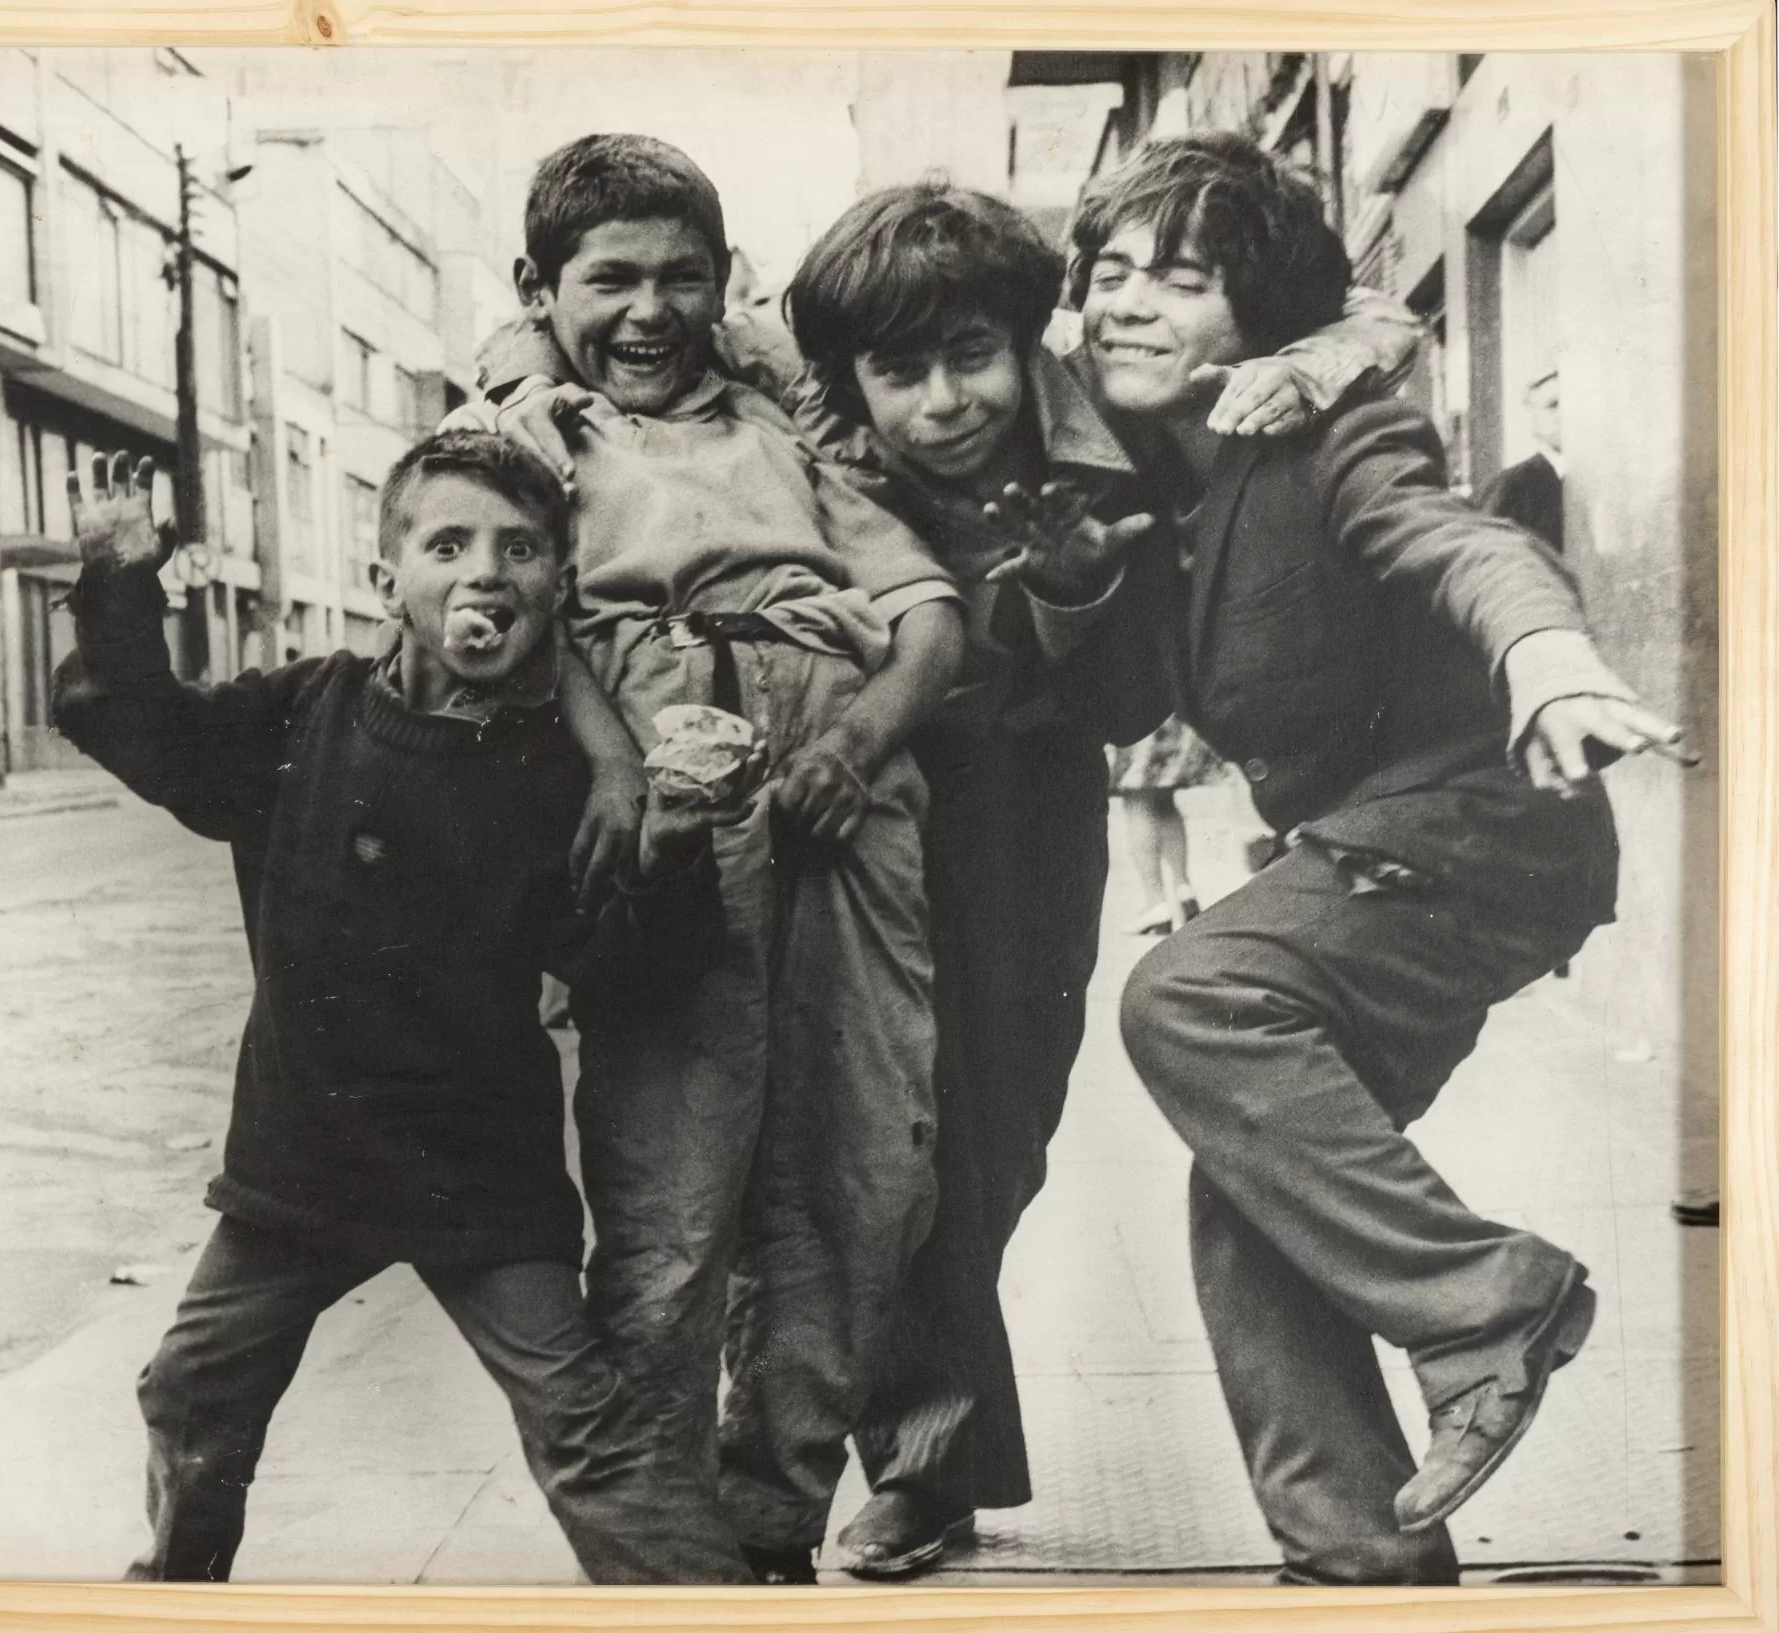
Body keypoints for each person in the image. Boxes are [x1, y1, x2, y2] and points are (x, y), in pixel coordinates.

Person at [482, 176, 1422, 1578]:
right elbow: (603, 322)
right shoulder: (800, 406)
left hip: (1017, 826)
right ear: (849, 370)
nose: (942, 402)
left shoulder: (1104, 428)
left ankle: (917, 1444)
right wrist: (513, 369)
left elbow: (1123, 699)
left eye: (971, 358)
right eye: (900, 371)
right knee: (878, 1151)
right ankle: (918, 1461)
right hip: (843, 808)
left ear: (1025, 338)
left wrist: (1071, 587)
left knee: (994, 1148)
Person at [1067, 132, 1684, 1584]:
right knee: (1255, 1185)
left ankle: (1487, 1298)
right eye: (1107, 274)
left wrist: (1542, 652)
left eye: (1183, 277)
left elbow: (1452, 539)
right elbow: (1119, 707)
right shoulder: (1164, 492)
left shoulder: (1334, 435)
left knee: (1186, 995)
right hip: (1371, 851)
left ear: (1261, 315)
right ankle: (1357, 1556)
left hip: (1480, 824)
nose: (1129, 304)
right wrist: (1061, 583)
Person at [52, 433, 756, 1586]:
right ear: (389, 585)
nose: (485, 573)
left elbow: (632, 975)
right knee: (192, 1388)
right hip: (299, 1162)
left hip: (474, 1172)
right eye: (449, 544)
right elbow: (148, 729)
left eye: (519, 549)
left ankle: (711, 1608)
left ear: (554, 591)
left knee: (584, 1426)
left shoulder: (564, 778)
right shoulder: (304, 716)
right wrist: (120, 588)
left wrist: (669, 852)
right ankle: (174, 1591)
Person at [444, 133, 965, 1584]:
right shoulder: (529, 442)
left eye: (683, 276)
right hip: (664, 799)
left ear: (723, 285)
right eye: (610, 279)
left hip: (845, 795)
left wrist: (858, 740)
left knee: (863, 1171)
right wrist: (614, 756)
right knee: (672, 1192)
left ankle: (772, 1518)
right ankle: (659, 1545)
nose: (649, 311)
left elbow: (927, 615)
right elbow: (496, 620)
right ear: (540, 290)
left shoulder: (791, 432)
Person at [1107, 719, 1225, 933]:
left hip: (1138, 720)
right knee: (1164, 800)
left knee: (1137, 801)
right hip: (1170, 715)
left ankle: (1156, 903)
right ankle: (1183, 888)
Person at [1477, 368, 1565, 551]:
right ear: (1534, 421)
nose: (1565, 413)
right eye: (1553, 405)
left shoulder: (1596, 485)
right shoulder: (1513, 487)